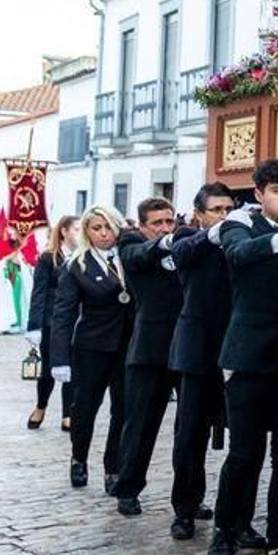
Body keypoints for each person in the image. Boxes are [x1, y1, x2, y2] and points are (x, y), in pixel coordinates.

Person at [206, 158, 278, 555]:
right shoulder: (240, 225)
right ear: (260, 193)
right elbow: (238, 254)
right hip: (248, 359)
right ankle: (224, 532)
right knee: (245, 454)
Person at [164, 183, 237, 540]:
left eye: (228, 209)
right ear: (200, 214)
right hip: (196, 351)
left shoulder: (239, 239)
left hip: (234, 349)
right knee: (189, 434)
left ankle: (235, 514)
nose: (224, 216)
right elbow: (180, 253)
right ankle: (185, 508)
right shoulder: (191, 239)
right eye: (216, 210)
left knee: (240, 437)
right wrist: (213, 234)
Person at [111, 198, 186, 517]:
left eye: (170, 222)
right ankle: (127, 487)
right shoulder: (131, 242)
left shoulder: (184, 243)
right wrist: (165, 243)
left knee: (189, 429)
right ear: (142, 226)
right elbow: (136, 255)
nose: (165, 228)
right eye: (157, 223)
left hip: (185, 347)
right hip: (149, 350)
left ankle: (188, 499)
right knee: (140, 424)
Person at [50, 205, 133, 491]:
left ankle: (114, 468)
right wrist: (59, 358)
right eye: (96, 228)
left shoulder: (129, 257)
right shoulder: (77, 265)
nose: (103, 233)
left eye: (108, 227)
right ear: (87, 231)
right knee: (85, 407)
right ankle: (79, 458)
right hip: (91, 347)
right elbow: (63, 314)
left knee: (123, 409)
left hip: (127, 346)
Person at [25, 215, 78, 430]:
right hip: (51, 322)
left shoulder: (81, 257)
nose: (79, 233)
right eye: (76, 229)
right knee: (48, 368)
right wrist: (34, 325)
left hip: (75, 320)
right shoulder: (48, 258)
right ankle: (41, 406)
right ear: (64, 231)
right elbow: (38, 293)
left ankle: (68, 413)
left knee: (72, 368)